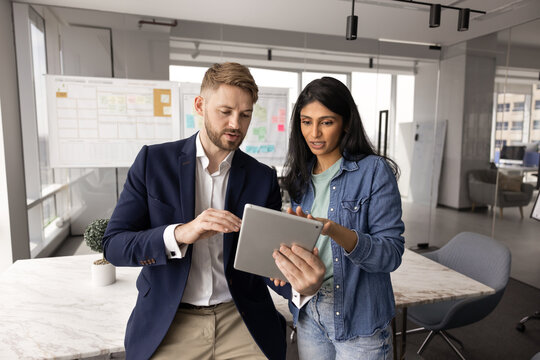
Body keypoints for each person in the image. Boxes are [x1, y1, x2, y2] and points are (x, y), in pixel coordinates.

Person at [102, 62, 324, 360]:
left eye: (245, 115)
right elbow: (114, 245)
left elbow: (269, 265)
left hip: (242, 321)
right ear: (200, 105)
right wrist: (181, 233)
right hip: (170, 324)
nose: (236, 124)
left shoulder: (262, 177)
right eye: (225, 112)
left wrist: (300, 286)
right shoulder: (153, 162)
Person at [275, 77, 405, 360]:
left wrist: (335, 231)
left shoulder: (373, 171)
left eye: (326, 122)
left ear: (346, 123)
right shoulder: (300, 177)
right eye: (306, 122)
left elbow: (391, 254)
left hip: (360, 318)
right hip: (311, 311)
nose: (314, 133)